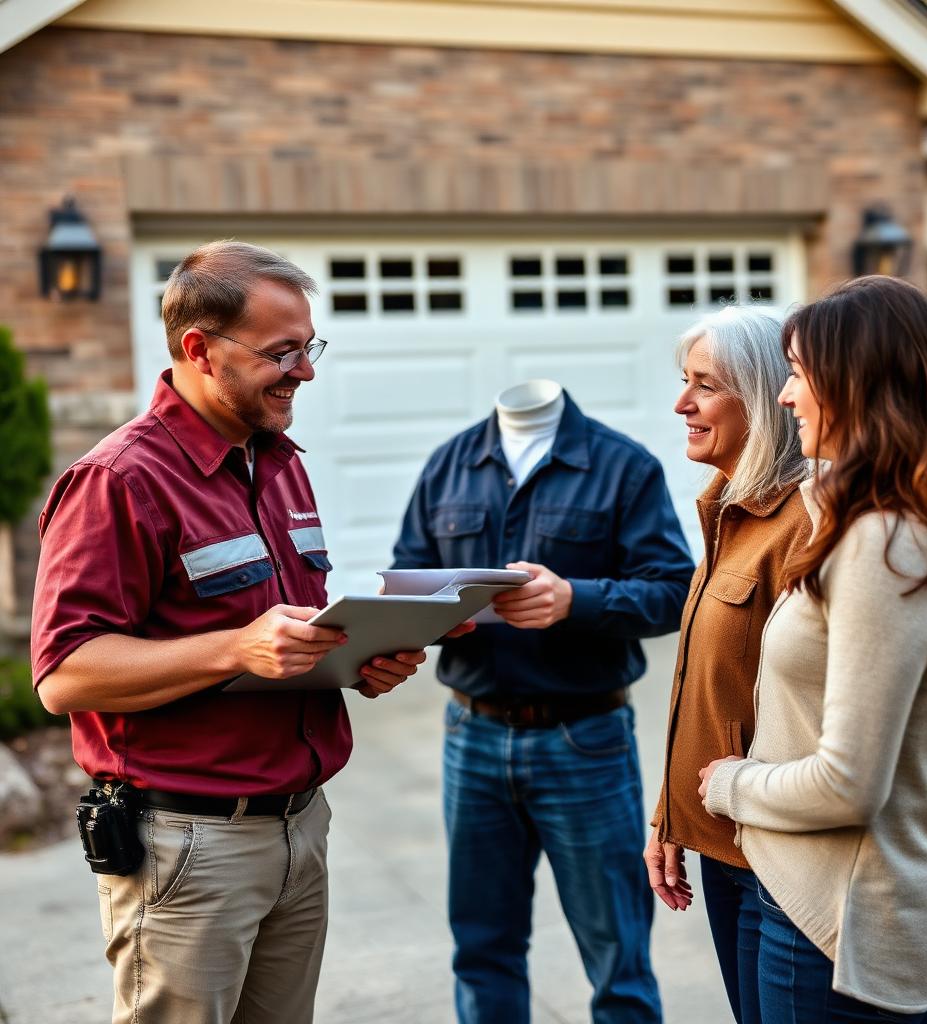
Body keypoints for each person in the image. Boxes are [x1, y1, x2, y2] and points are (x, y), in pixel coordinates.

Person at [30, 240, 438, 1024]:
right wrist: (235, 646)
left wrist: (353, 661)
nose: (306, 372)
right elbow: (65, 674)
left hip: (300, 827)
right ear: (199, 350)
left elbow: (280, 636)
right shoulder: (119, 480)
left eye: (309, 348)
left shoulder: (281, 463)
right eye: (283, 353)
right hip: (185, 847)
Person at [696, 275, 927, 1021]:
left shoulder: (889, 542)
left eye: (801, 376)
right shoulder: (881, 517)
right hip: (806, 890)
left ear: (858, 384)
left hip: (836, 918)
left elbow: (849, 784)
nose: (784, 397)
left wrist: (729, 784)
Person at [391, 378, 694, 1024]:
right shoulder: (449, 463)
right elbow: (406, 574)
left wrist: (574, 600)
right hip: (470, 739)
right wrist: (422, 619)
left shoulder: (624, 466)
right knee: (482, 948)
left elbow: (673, 591)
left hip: (585, 741)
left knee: (618, 956)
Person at [642, 305, 811, 1024]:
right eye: (686, 382)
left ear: (766, 393)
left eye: (704, 386)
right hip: (720, 844)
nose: (682, 404)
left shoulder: (808, 523)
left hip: (784, 855)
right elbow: (708, 687)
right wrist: (668, 815)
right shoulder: (726, 511)